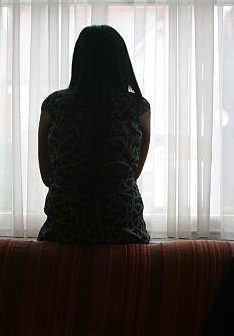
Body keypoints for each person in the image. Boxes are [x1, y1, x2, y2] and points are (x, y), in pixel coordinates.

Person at [37, 25, 151, 244]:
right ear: (120, 62)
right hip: (122, 221)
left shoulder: (53, 106)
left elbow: (47, 176)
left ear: (79, 61)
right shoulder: (138, 108)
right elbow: (133, 174)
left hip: (66, 220)